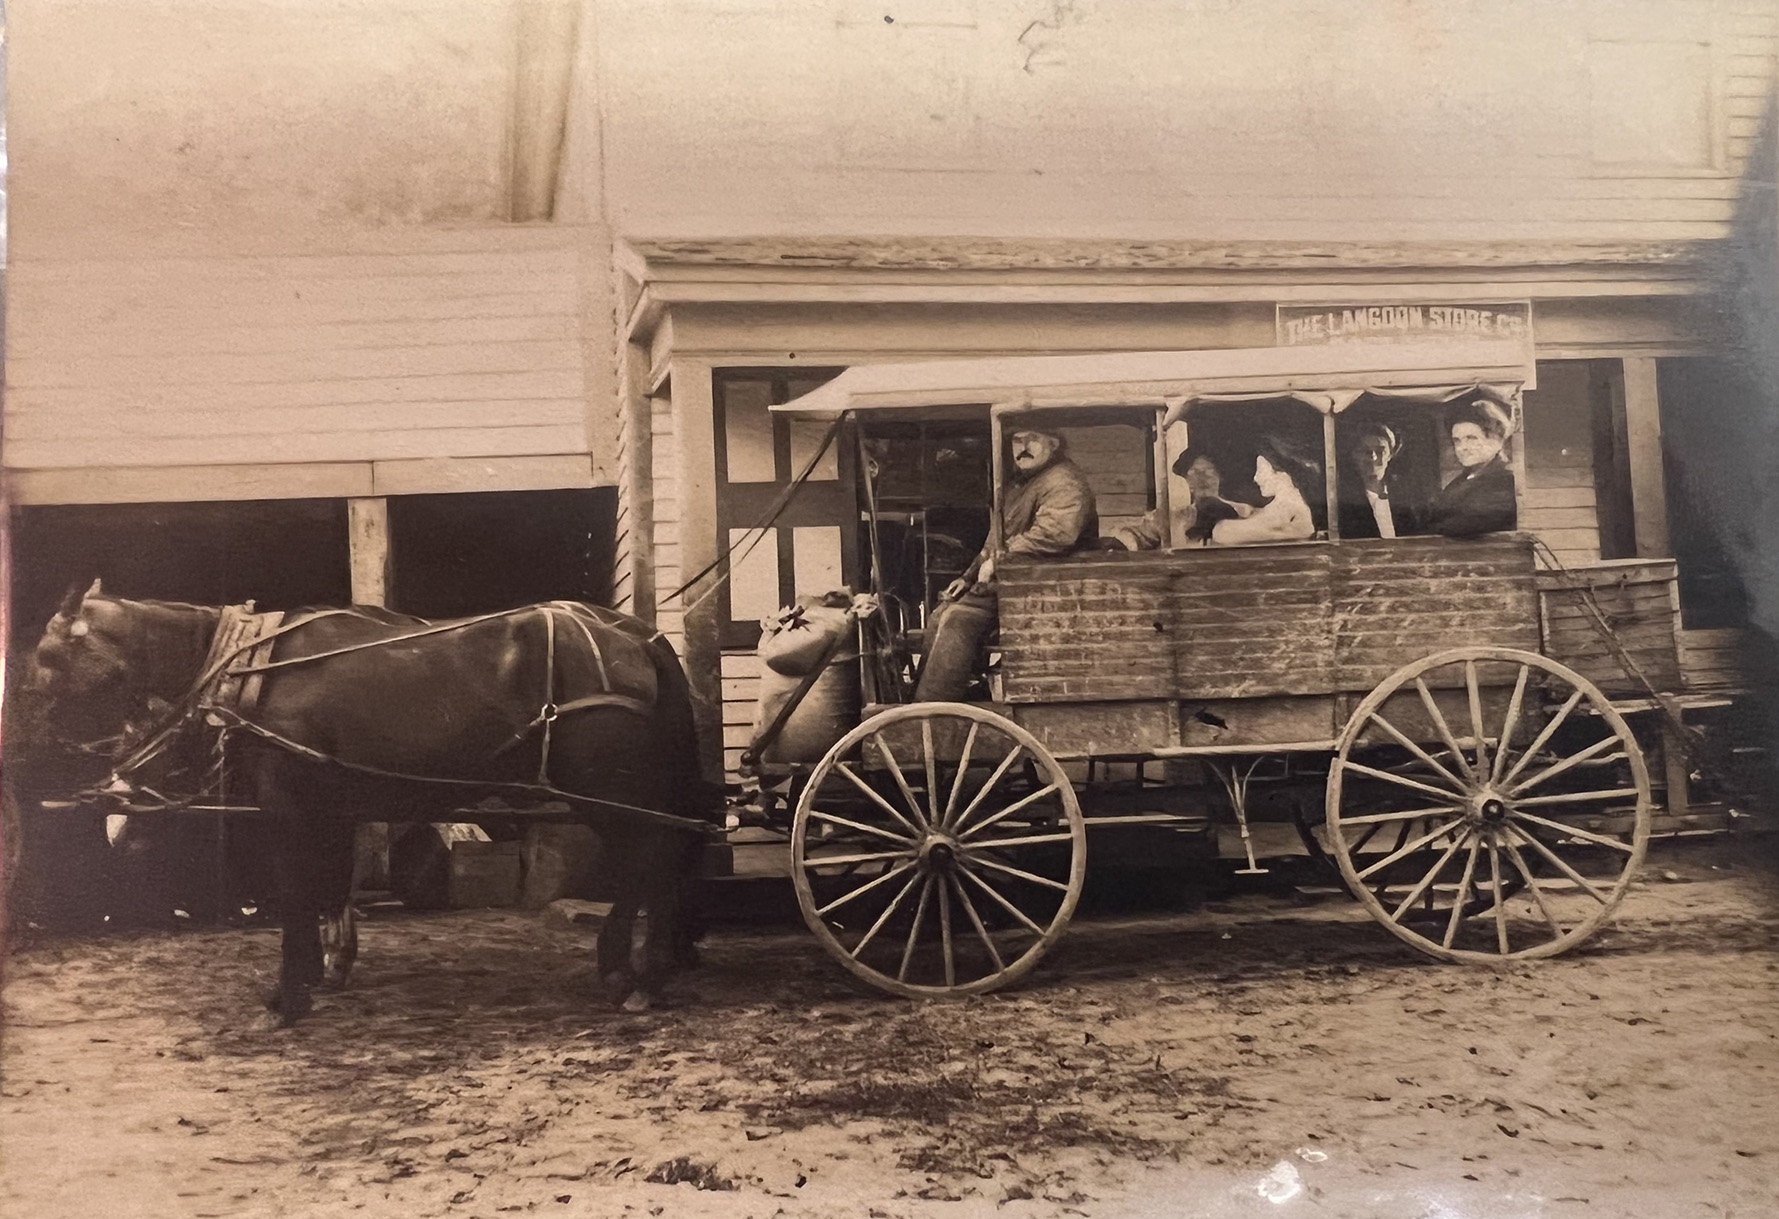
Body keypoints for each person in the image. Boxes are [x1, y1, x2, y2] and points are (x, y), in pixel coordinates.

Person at [915, 427, 1097, 700]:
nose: (1023, 447)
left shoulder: (1063, 482)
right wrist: (969, 575)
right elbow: (996, 538)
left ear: (1054, 444)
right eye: (1016, 440)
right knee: (941, 613)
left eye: (1032, 439)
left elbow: (1057, 534)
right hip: (1016, 584)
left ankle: (934, 708)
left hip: (1043, 588)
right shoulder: (1022, 483)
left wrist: (1001, 559)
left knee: (957, 619)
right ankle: (930, 698)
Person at [1424, 401, 1518, 537]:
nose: (1462, 448)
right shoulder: (1460, 481)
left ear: (1496, 439)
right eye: (1457, 440)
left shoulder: (1505, 479)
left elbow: (1470, 523)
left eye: (1471, 438)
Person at [1209, 438, 1319, 545]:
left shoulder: (1288, 504)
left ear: (1283, 474)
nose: (1256, 478)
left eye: (1261, 470)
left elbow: (1223, 532)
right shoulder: (1287, 501)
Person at [1338, 422, 1406, 540]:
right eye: (1365, 451)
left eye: (1380, 451)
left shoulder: (1404, 496)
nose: (1373, 458)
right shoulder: (1343, 500)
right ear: (1354, 455)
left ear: (1390, 456)